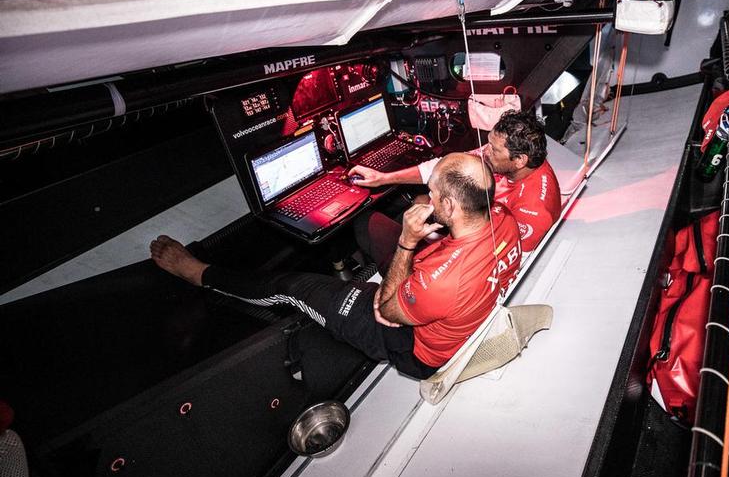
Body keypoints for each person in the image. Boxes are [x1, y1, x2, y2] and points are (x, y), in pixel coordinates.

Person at [150, 153, 523, 377]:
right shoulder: (503, 214)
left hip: (410, 345)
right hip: (447, 300)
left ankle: (197, 273)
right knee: (368, 223)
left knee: (293, 286)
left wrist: (408, 242)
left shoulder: (439, 284)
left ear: (452, 208)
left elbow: (387, 310)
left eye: (434, 194)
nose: (428, 196)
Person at [350, 110, 560, 257]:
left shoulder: (534, 209)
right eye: (488, 143)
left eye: (494, 150)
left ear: (520, 160)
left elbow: (502, 261)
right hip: (471, 234)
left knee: (366, 223)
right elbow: (445, 166)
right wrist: (383, 178)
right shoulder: (505, 160)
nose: (485, 151)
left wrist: (422, 244)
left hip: (470, 255)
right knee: (420, 199)